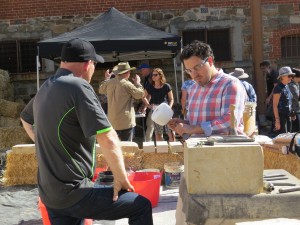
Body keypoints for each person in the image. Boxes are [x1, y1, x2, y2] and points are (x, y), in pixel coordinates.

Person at [20, 38, 153, 225]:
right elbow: (107, 137)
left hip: (50, 193)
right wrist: (121, 179)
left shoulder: (47, 86)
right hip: (75, 193)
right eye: (94, 64)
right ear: (87, 64)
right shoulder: (78, 86)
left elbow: (25, 119)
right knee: (140, 206)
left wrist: (42, 142)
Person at [168, 40, 246, 137]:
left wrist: (192, 128)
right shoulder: (193, 88)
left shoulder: (230, 84)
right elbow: (196, 123)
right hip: (196, 149)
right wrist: (184, 124)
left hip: (223, 150)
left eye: (197, 67)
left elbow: (230, 121)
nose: (194, 75)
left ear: (209, 61)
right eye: (189, 71)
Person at [99, 62, 145, 141]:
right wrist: (138, 83)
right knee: (126, 148)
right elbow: (140, 94)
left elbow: (101, 90)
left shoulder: (109, 82)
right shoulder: (127, 84)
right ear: (127, 73)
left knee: (115, 147)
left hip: (112, 121)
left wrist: (106, 79)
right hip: (125, 122)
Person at [142, 68, 175, 142]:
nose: (153, 76)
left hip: (165, 110)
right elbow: (143, 96)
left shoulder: (166, 86)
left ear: (160, 76)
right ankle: (161, 150)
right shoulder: (150, 86)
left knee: (170, 131)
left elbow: (171, 99)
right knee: (158, 132)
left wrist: (169, 107)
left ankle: (172, 149)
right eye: (152, 75)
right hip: (156, 111)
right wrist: (148, 105)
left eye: (155, 75)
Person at [273, 66, 293, 135]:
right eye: (289, 76)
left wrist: (292, 112)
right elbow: (275, 105)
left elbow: (289, 101)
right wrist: (277, 121)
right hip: (281, 117)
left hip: (288, 116)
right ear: (282, 77)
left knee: (289, 138)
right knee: (282, 140)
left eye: (291, 76)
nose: (291, 78)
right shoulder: (278, 88)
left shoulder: (287, 86)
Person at [289, 68, 300, 132]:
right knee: (296, 130)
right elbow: (297, 98)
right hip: (294, 111)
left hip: (297, 109)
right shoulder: (292, 86)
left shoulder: (296, 84)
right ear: (294, 77)